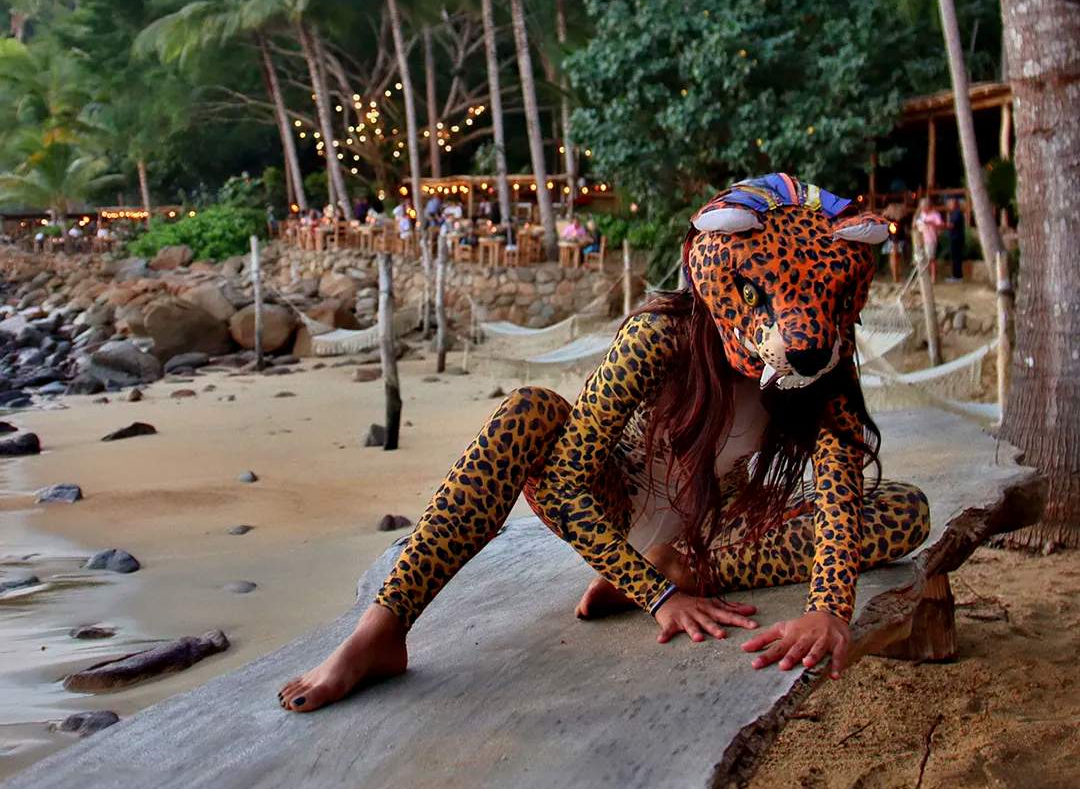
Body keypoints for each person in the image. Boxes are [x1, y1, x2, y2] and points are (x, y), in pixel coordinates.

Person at [278, 172, 931, 713]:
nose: (797, 324)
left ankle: (681, 563)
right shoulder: (661, 335)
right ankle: (383, 628)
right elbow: (563, 487)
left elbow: (841, 489)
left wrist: (829, 610)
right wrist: (656, 595)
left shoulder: (824, 366)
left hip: (711, 532)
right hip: (611, 508)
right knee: (528, 413)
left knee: (906, 511)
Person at [913, 195, 944, 282]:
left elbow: (941, 225)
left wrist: (931, 222)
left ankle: (933, 278)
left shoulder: (935, 215)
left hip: (931, 239)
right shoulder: (922, 214)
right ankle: (925, 277)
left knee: (931, 259)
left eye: (924, 207)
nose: (922, 209)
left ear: (928, 206)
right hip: (921, 238)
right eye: (921, 207)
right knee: (922, 258)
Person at [947, 195, 966, 283]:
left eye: (950, 204)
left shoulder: (957, 213)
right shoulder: (953, 213)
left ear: (955, 204)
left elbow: (952, 225)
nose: (949, 205)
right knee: (954, 257)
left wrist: (941, 225)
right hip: (954, 238)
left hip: (957, 238)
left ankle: (957, 276)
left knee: (956, 257)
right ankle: (955, 275)